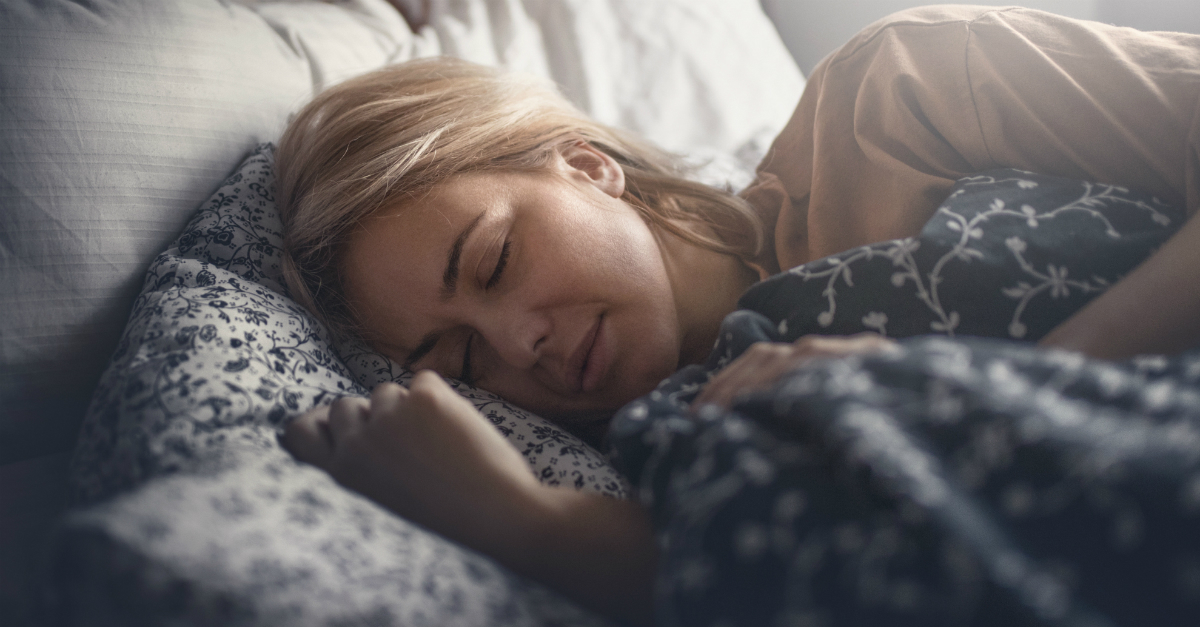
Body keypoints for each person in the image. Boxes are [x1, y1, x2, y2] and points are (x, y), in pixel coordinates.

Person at [277, 6, 1200, 625]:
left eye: (496, 260)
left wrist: (1027, 375)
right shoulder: (667, 438)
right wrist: (516, 517)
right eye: (465, 362)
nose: (522, 344)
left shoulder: (894, 94)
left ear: (587, 165)